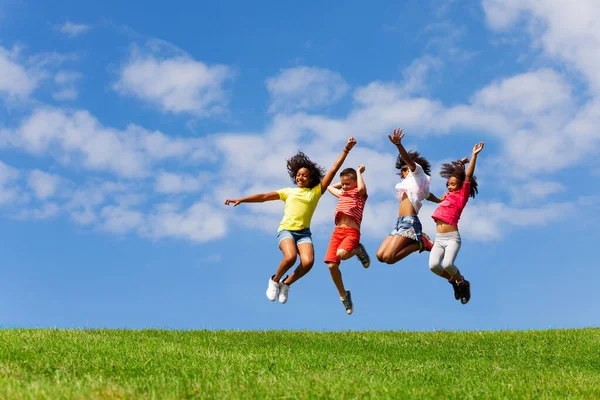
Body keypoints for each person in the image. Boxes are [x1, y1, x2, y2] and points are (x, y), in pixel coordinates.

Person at [224, 138, 357, 304]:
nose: (300, 177)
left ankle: (286, 283)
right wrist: (242, 199)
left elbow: (333, 168)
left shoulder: (316, 192)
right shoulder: (288, 192)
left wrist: (346, 149)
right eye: (298, 175)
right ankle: (274, 280)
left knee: (308, 262)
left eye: (305, 176)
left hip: (303, 234)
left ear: (311, 179)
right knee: (291, 257)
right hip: (286, 230)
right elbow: (264, 197)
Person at [428, 142, 484, 304]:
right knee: (433, 266)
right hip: (439, 239)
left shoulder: (462, 196)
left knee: (448, 264)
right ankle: (453, 281)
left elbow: (467, 176)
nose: (450, 186)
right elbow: (456, 175)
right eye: (448, 184)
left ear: (460, 186)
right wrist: (459, 163)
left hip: (452, 237)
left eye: (453, 184)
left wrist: (474, 156)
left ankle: (463, 283)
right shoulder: (446, 197)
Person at [376, 127, 441, 265]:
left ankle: (421, 243)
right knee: (380, 255)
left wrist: (398, 144)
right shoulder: (418, 184)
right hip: (399, 223)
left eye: (404, 169)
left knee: (389, 258)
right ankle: (420, 241)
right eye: (402, 170)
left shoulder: (417, 173)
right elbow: (429, 196)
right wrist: (439, 200)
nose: (403, 172)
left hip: (410, 222)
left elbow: (407, 160)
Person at [325, 165, 370, 315]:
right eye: (343, 184)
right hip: (337, 232)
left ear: (355, 182)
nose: (344, 187)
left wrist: (358, 173)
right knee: (332, 266)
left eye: (347, 184)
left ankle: (358, 249)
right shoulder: (343, 195)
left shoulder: (359, 194)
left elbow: (362, 187)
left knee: (342, 254)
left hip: (351, 232)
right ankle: (344, 295)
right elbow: (330, 187)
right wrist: (343, 183)